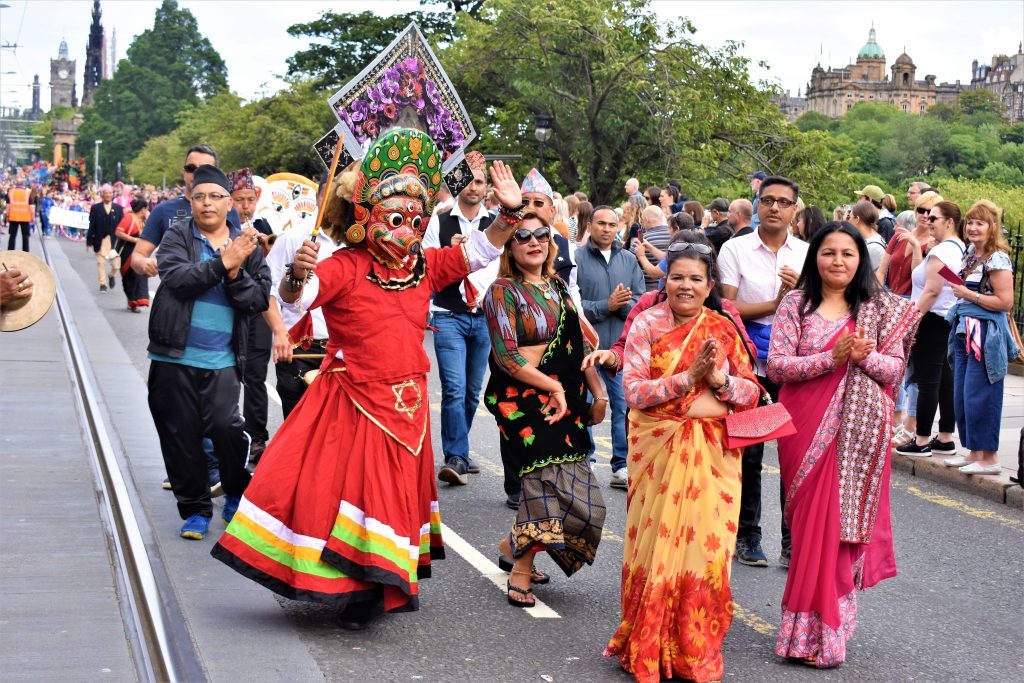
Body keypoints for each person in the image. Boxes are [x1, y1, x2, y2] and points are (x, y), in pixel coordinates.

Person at [212, 131, 517, 630]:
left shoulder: (424, 265)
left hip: (410, 408)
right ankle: (352, 590)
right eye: (396, 219)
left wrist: (507, 215)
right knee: (350, 494)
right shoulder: (345, 266)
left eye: (416, 222)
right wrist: (295, 273)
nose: (407, 231)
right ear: (365, 220)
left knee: (394, 497)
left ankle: (383, 580)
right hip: (354, 400)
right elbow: (298, 298)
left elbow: (480, 252)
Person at [603, 238, 760, 682]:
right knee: (656, 550)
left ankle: (696, 649)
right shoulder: (647, 324)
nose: (685, 286)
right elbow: (633, 391)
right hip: (657, 453)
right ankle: (648, 642)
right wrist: (687, 380)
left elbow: (752, 394)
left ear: (710, 285)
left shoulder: (724, 329)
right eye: (677, 277)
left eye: (695, 279)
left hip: (714, 460)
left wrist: (719, 379)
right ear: (663, 279)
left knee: (705, 551)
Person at [770, 221, 920, 669]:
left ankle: (829, 634)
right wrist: (828, 359)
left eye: (848, 254)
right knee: (807, 530)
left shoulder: (880, 309)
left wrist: (863, 357)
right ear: (815, 257)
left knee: (838, 532)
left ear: (862, 261)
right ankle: (799, 633)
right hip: (804, 428)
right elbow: (777, 366)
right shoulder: (795, 303)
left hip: (856, 436)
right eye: (829, 252)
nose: (838, 261)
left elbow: (894, 371)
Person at [482, 212, 607, 608]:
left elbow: (583, 347)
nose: (533, 241)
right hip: (521, 401)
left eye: (541, 234)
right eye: (522, 236)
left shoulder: (556, 287)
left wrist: (599, 395)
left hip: (568, 400)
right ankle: (520, 571)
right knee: (542, 486)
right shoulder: (502, 291)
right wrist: (551, 383)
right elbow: (506, 357)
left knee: (587, 505)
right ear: (509, 245)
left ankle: (511, 543)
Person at [146, 165, 270, 541]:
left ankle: (234, 491)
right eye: (200, 196)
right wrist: (221, 263)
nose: (207, 203)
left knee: (225, 429)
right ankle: (195, 509)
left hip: (223, 359)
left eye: (215, 196)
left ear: (228, 203)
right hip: (173, 357)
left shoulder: (247, 245)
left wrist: (234, 271)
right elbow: (178, 281)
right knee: (180, 437)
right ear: (191, 201)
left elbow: (259, 299)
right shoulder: (175, 237)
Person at [717, 175, 809, 567]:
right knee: (751, 454)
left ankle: (793, 540)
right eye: (767, 200)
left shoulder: (808, 253)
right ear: (757, 204)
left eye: (783, 202)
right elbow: (727, 309)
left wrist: (799, 294)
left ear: (794, 208)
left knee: (794, 454)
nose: (774, 207)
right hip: (749, 366)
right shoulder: (735, 249)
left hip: (796, 368)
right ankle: (749, 535)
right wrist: (777, 303)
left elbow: (821, 310)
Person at [422, 151, 493, 486]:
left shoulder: (495, 224)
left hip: (483, 317)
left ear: (488, 187)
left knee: (471, 392)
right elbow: (426, 267)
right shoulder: (439, 220)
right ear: (457, 182)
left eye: (479, 181)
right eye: (468, 180)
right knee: (454, 387)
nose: (473, 187)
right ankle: (455, 457)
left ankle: (460, 450)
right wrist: (450, 254)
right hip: (448, 313)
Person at [944, 200, 1017, 474]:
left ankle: (990, 458)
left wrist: (969, 295)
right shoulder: (971, 254)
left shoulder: (997, 258)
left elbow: (1005, 302)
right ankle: (974, 452)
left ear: (992, 228)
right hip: (965, 329)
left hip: (985, 334)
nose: (973, 228)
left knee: (981, 393)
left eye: (980, 223)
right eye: (971, 222)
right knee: (963, 393)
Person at [575, 205, 645, 489]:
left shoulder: (628, 260)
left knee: (622, 406)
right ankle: (586, 458)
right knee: (587, 403)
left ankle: (620, 464)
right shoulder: (576, 258)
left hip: (620, 349)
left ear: (619, 227)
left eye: (611, 224)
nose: (606, 229)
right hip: (586, 346)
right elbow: (572, 304)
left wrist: (620, 305)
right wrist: (606, 305)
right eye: (601, 223)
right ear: (589, 225)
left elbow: (641, 303)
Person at [262, 176, 343, 420]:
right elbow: (267, 292)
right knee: (298, 432)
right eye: (327, 196)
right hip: (298, 352)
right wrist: (279, 334)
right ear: (317, 197)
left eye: (339, 198)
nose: (333, 203)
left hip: (342, 354)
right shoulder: (291, 238)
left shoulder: (357, 244)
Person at [896, 200, 965, 457]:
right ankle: (945, 436)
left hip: (932, 318)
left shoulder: (943, 251)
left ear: (949, 222)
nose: (927, 220)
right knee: (945, 379)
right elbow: (938, 282)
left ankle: (922, 438)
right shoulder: (958, 248)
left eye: (933, 217)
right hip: (946, 319)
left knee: (928, 380)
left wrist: (909, 321)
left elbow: (932, 290)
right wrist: (918, 248)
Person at [114, 198, 151, 312]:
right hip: (127, 252)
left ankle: (137, 301)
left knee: (140, 275)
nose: (147, 211)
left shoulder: (142, 220)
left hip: (140, 252)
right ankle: (131, 301)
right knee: (129, 277)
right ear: (143, 209)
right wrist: (133, 239)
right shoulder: (129, 218)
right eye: (146, 209)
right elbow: (118, 232)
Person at [87, 184, 124, 292]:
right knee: (100, 262)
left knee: (116, 264)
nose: (108, 195)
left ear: (112, 194)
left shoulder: (118, 209)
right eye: (106, 193)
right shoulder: (95, 208)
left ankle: (111, 275)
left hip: (114, 241)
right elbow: (91, 224)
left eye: (110, 193)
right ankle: (102, 283)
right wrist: (89, 239)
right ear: (102, 194)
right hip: (100, 240)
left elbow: (122, 225)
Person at [633, 205, 672, 292]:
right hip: (670, 288)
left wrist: (641, 255)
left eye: (642, 220)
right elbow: (666, 257)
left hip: (647, 288)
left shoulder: (641, 240)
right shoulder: (674, 237)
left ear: (646, 219)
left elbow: (629, 263)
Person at [849, 201, 886, 271]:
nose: (849, 221)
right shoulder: (873, 240)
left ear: (857, 219)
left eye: (850, 218)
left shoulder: (873, 247)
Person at [5, 180, 34, 252]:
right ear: (23, 185)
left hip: (13, 217)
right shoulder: (27, 193)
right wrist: (32, 217)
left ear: (16, 184)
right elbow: (31, 207)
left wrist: (7, 215)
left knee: (12, 235)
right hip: (25, 217)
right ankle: (25, 252)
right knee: (25, 236)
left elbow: (8, 206)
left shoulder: (11, 192)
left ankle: (10, 251)